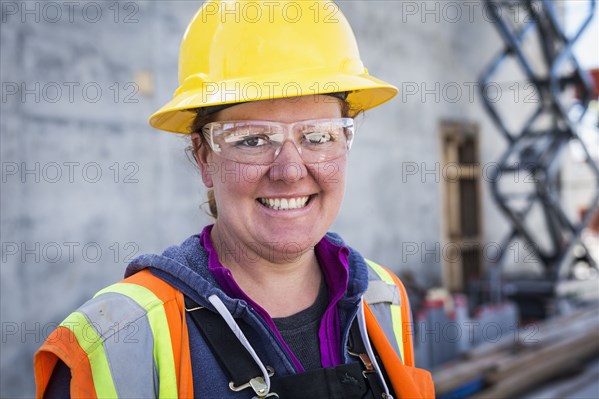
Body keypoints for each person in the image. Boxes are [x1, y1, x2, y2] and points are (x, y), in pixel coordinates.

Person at [34, 1, 434, 398]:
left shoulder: (382, 298)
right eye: (252, 140)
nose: (291, 171)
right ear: (204, 157)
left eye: (318, 136)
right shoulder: (115, 341)